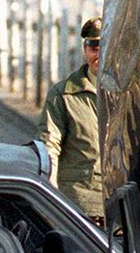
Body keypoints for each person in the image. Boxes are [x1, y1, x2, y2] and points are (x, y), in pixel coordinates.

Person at [38, 17, 104, 223]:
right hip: (80, 205)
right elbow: (49, 145)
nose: (99, 54)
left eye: (105, 46)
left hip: (121, 207)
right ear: (85, 50)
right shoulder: (63, 94)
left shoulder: (129, 94)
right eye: (94, 47)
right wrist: (52, 196)